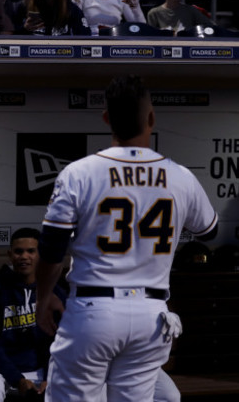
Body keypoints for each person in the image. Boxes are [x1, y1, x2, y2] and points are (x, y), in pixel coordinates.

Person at [35, 74, 218, 402]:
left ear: (107, 119)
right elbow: (210, 230)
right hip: (152, 315)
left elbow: (52, 246)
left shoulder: (79, 172)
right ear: (151, 118)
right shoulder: (181, 176)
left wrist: (44, 296)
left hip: (93, 310)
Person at [0, 228, 66, 402]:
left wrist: (49, 377)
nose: (24, 256)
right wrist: (17, 379)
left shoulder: (53, 292)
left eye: (31, 251)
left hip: (40, 368)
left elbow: (60, 341)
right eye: (18, 251)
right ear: (10, 255)